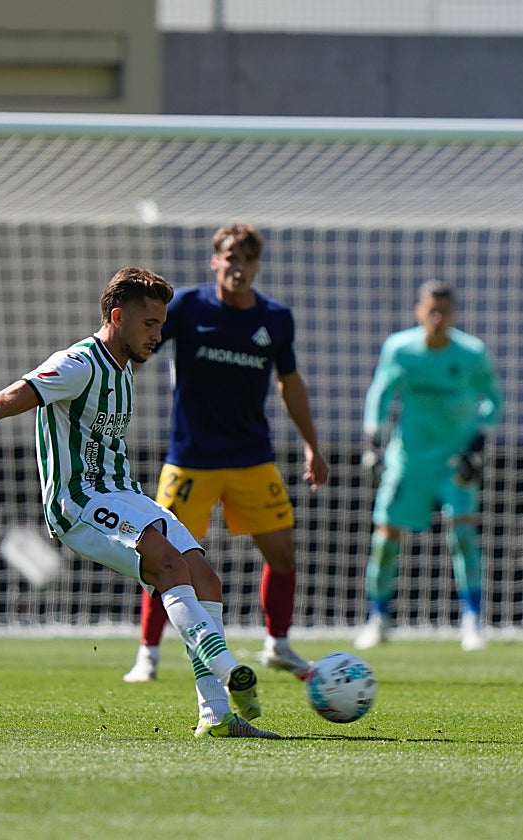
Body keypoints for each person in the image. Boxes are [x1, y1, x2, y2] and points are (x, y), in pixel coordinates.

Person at [0, 266, 279, 739]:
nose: (158, 335)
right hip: (79, 504)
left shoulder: (123, 368)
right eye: (149, 325)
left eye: (162, 325)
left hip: (127, 496)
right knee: (164, 562)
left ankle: (218, 716)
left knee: (206, 578)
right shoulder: (77, 364)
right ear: (118, 317)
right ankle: (229, 669)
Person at [121, 223, 328, 684]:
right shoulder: (190, 307)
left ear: (257, 265)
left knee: (282, 553)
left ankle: (278, 644)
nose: (239, 267)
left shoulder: (274, 318)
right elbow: (143, 344)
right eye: (230, 258)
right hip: (190, 458)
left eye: (248, 259)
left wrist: (312, 446)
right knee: (162, 556)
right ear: (216, 261)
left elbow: (288, 383)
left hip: (252, 457)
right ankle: (148, 654)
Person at [355, 280, 503, 652]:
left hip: (454, 461)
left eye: (444, 310)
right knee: (385, 540)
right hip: (409, 460)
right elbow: (380, 394)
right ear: (419, 311)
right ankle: (378, 618)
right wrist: (374, 442)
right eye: (430, 309)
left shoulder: (472, 353)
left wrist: (477, 444)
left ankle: (472, 621)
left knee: (463, 536)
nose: (436, 317)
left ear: (453, 314)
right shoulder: (401, 349)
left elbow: (494, 400)